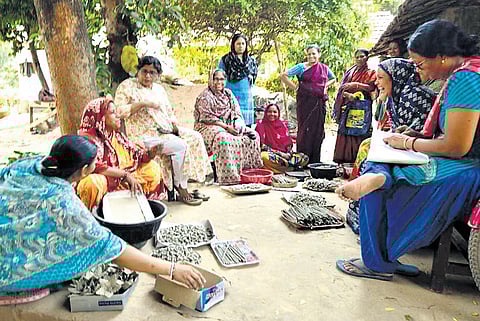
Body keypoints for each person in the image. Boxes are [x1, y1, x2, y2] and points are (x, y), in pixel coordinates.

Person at [335, 19, 480, 281]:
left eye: (421, 63)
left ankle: (378, 261)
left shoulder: (466, 80)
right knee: (377, 157)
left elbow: (457, 147)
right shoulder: (466, 71)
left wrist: (408, 143)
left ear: (443, 58)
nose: (417, 69)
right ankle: (382, 251)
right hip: (463, 160)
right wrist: (417, 135)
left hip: (468, 168)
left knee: (383, 180)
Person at [0, 135, 205, 300]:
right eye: (94, 164)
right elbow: (109, 246)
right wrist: (171, 268)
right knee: (72, 257)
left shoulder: (29, 164)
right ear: (84, 170)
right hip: (6, 270)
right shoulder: (64, 205)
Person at [346, 58, 436, 233]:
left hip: (424, 151)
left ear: (395, 77)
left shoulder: (413, 96)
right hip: (408, 145)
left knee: (370, 154)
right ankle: (361, 202)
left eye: (380, 78)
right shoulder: (396, 95)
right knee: (368, 146)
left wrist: (400, 139)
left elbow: (421, 133)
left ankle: (366, 207)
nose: (376, 82)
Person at [114, 56, 211, 205]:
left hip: (164, 130)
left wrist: (174, 126)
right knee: (180, 146)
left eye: (152, 73)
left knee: (195, 137)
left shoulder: (159, 89)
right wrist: (142, 104)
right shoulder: (127, 86)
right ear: (138, 71)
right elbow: (119, 112)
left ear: (157, 75)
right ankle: (181, 188)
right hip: (143, 135)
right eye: (144, 71)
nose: (147, 76)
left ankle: (190, 182)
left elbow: (169, 112)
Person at [76, 97, 165, 210]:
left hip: (120, 177)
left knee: (152, 168)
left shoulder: (115, 135)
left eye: (117, 112)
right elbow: (94, 166)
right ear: (101, 117)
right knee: (91, 183)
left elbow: (135, 155)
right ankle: (95, 217)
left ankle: (139, 208)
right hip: (105, 180)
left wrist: (150, 154)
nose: (118, 116)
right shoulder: (87, 139)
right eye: (113, 113)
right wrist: (124, 175)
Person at [194, 69, 263, 185]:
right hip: (208, 126)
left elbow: (236, 111)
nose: (218, 82)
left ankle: (248, 173)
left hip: (228, 124)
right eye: (216, 79)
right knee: (223, 139)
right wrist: (226, 128)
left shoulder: (228, 94)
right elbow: (206, 117)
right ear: (211, 80)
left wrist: (237, 123)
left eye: (221, 79)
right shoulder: (205, 96)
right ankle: (229, 178)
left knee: (253, 136)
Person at [280, 44, 336, 164]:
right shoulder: (301, 67)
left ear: (319, 55)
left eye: (314, 54)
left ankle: (315, 161)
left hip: (319, 103)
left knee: (318, 131)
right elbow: (284, 75)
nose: (311, 56)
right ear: (306, 55)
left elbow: (333, 79)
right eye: (309, 54)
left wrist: (325, 86)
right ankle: (302, 159)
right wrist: (295, 87)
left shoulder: (324, 68)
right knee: (304, 130)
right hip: (305, 103)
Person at [333, 49, 377, 165]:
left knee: (360, 132)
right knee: (346, 132)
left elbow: (371, 87)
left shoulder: (371, 72)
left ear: (367, 58)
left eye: (362, 56)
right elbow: (342, 89)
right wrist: (347, 95)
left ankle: (358, 161)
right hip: (348, 105)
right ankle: (344, 161)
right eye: (357, 57)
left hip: (362, 106)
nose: (359, 59)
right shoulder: (350, 72)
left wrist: (356, 85)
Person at [255, 103, 309, 173]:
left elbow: (288, 144)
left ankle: (286, 166)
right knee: (263, 157)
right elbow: (261, 146)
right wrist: (281, 154)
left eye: (274, 112)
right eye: (269, 112)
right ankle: (290, 168)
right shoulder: (261, 125)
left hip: (286, 156)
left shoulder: (282, 125)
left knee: (304, 158)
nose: (272, 114)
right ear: (265, 113)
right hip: (272, 155)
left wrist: (288, 154)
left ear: (278, 113)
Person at [218, 34, 258, 126]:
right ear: (233, 45)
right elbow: (220, 77)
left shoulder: (251, 61)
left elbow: (253, 78)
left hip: (246, 97)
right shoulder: (226, 60)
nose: (241, 46)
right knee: (232, 124)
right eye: (238, 44)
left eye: (243, 44)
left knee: (246, 127)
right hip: (231, 95)